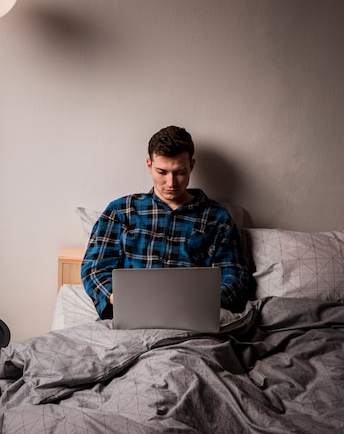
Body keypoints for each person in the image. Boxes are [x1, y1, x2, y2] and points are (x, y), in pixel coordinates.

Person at [81, 125, 250, 319]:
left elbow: (235, 278)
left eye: (180, 172)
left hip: (193, 320)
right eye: (162, 172)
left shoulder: (218, 219)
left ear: (192, 166)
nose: (171, 183)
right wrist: (119, 299)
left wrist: (197, 303)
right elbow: (94, 269)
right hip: (131, 317)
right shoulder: (121, 212)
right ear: (149, 165)